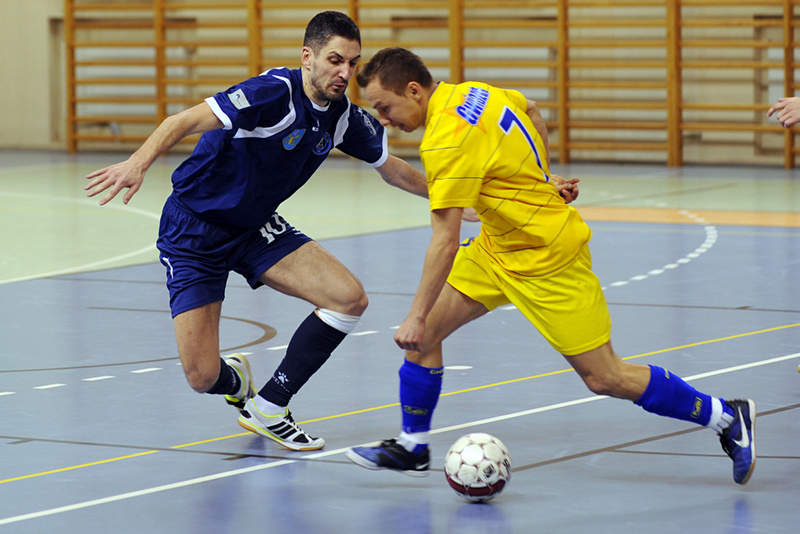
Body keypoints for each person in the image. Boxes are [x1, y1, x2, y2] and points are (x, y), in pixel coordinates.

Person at [345, 47, 756, 485]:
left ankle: (727, 417)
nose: (384, 119)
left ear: (413, 89)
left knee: (605, 376)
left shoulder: (445, 137)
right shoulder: (475, 92)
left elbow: (444, 241)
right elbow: (532, 109)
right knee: (423, 340)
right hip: (497, 247)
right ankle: (412, 446)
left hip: (547, 257)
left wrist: (415, 313)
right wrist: (539, 178)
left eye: (384, 107)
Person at [84, 12, 439, 452]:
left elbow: (396, 172)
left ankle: (271, 406)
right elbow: (182, 122)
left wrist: (461, 200)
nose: (344, 72)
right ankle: (237, 380)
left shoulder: (342, 117)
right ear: (307, 57)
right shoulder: (272, 94)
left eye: (352, 62)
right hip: (194, 232)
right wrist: (137, 162)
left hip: (254, 227)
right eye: (334, 60)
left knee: (348, 298)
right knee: (202, 376)